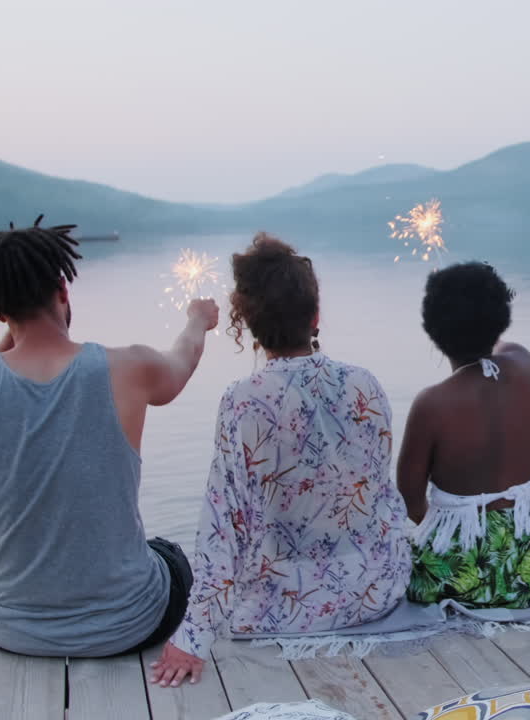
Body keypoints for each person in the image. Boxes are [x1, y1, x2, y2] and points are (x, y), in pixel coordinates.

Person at [0, 217, 212, 657]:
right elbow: (182, 361)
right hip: (131, 623)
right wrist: (198, 319)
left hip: (8, 627)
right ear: (64, 289)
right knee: (168, 554)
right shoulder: (129, 368)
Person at [152, 234, 410, 687]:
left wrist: (190, 639)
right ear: (314, 317)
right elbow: (380, 497)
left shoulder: (244, 401)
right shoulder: (364, 384)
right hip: (375, 592)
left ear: (248, 323)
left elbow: (222, 530)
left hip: (285, 608)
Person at [399, 262, 530, 608]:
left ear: (432, 331)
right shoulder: (523, 363)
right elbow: (497, 343)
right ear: (500, 321)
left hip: (460, 574)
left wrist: (454, 530)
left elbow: (410, 499)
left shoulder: (431, 403)